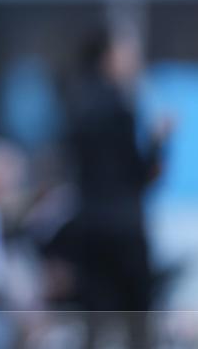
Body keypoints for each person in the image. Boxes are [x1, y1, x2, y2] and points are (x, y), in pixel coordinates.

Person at [64, 25, 172, 349]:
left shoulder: (75, 101)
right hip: (124, 227)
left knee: (95, 320)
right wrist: (159, 143)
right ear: (107, 58)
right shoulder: (122, 107)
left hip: (89, 223)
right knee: (137, 319)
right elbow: (139, 174)